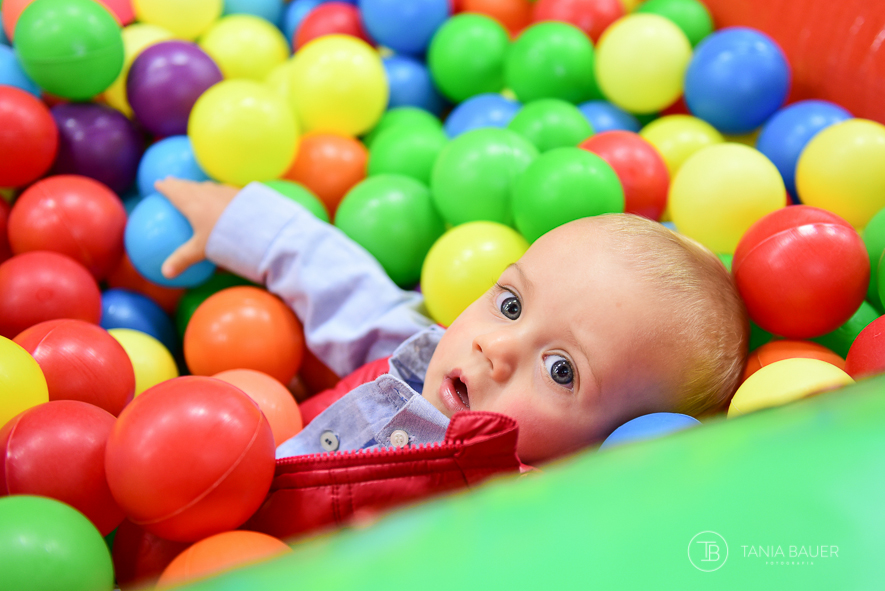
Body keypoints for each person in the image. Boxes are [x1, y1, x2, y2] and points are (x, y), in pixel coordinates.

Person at [156, 178, 748, 466]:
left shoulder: (508, 521)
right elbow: (345, 292)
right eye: (511, 305)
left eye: (561, 370)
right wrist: (242, 221)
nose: (498, 349)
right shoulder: (419, 361)